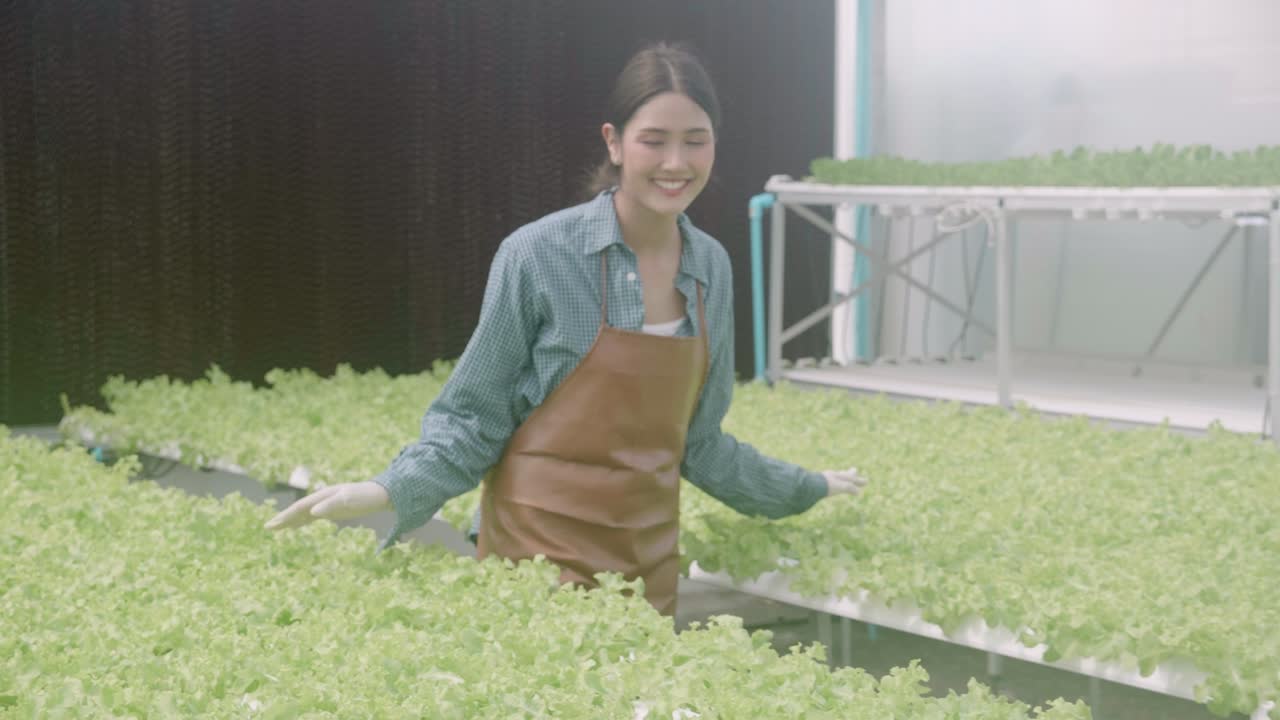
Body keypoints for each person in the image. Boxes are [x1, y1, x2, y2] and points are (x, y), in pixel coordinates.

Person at [265, 42, 867, 616]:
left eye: (696, 141)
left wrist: (805, 487)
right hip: (533, 552)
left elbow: (700, 443)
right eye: (653, 141)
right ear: (614, 143)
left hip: (646, 557)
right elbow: (474, 417)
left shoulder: (711, 267)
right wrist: (388, 490)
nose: (676, 163)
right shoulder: (538, 255)